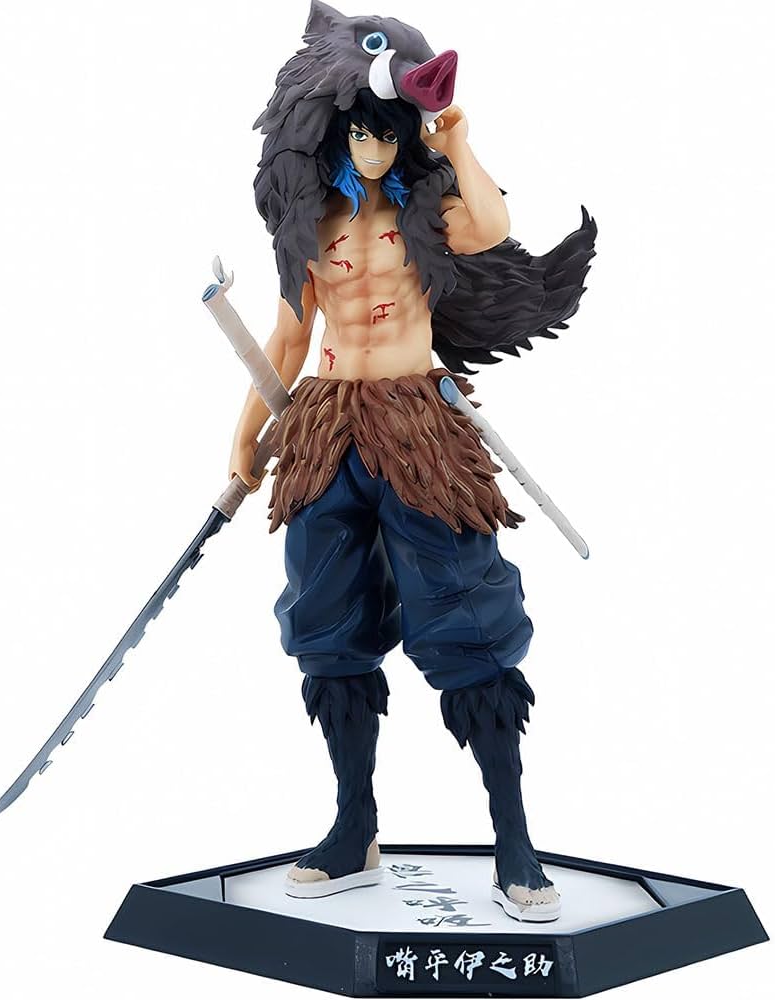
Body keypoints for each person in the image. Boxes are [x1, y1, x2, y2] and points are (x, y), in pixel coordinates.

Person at [228, 84, 583, 922]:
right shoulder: (307, 224)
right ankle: (353, 828)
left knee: (465, 619)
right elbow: (288, 338)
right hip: (325, 426)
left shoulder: (427, 211)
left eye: (387, 137)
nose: (373, 151)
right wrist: (245, 433)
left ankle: (513, 841)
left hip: (417, 425)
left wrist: (457, 142)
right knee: (326, 621)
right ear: (333, 136)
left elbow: (489, 228)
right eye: (359, 135)